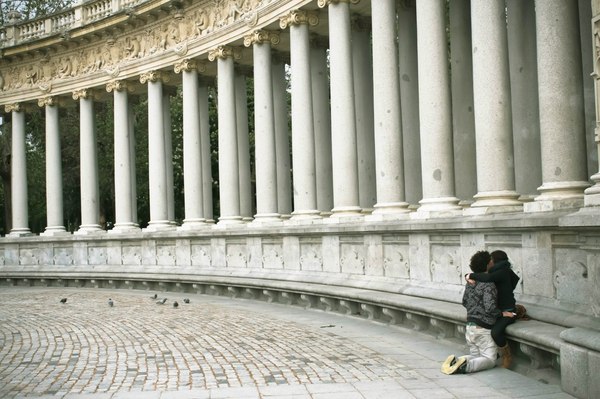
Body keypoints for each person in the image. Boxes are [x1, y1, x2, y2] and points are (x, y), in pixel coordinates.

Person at [442, 250, 510, 375]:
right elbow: (489, 307)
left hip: (470, 327)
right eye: (491, 261)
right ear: (488, 264)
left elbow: (464, 301)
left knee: (476, 355)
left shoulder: (470, 282)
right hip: (483, 329)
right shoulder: (488, 284)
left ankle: (456, 361)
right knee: (490, 360)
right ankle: (465, 366)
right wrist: (501, 314)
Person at [466, 249, 519, 368]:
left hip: (508, 311)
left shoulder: (501, 272)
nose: (490, 262)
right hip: (499, 310)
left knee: (495, 332)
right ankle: (492, 353)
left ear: (494, 262)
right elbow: (515, 279)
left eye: (491, 260)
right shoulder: (502, 271)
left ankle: (507, 355)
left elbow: (488, 278)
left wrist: (469, 275)